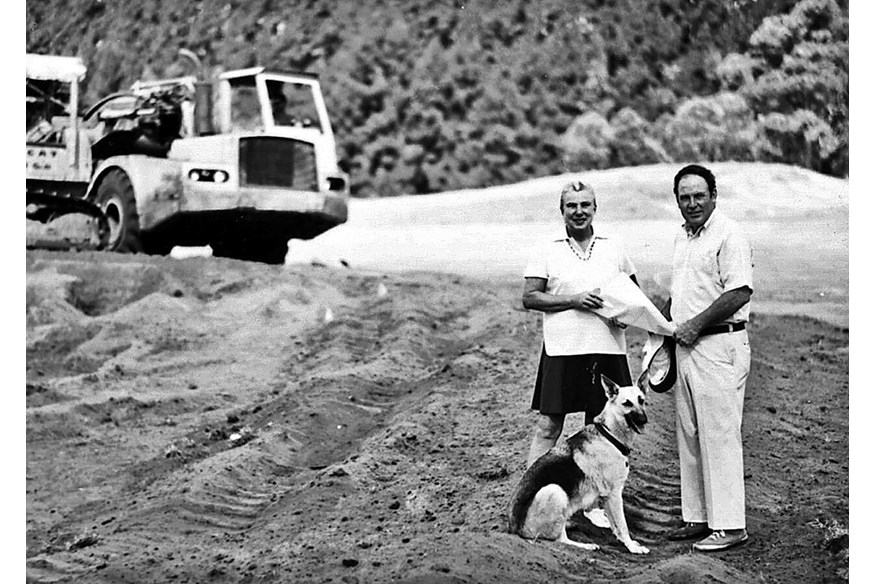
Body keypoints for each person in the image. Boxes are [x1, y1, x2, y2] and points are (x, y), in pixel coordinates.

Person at [521, 180, 637, 528]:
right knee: (549, 424)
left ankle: (592, 505)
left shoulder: (613, 247)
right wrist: (573, 300)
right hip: (563, 348)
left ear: (595, 208)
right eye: (571, 206)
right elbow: (530, 297)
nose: (579, 211)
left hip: (606, 347)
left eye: (585, 204)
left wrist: (626, 312)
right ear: (562, 211)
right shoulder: (547, 248)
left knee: (599, 428)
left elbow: (634, 293)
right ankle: (531, 497)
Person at [663, 164, 754, 552]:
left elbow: (739, 292)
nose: (692, 203)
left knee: (719, 435)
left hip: (720, 345)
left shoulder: (729, 233)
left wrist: (696, 324)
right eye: (685, 197)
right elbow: (685, 293)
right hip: (687, 346)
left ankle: (731, 526)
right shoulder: (683, 238)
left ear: (713, 196)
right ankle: (698, 517)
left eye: (699, 195)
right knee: (690, 434)